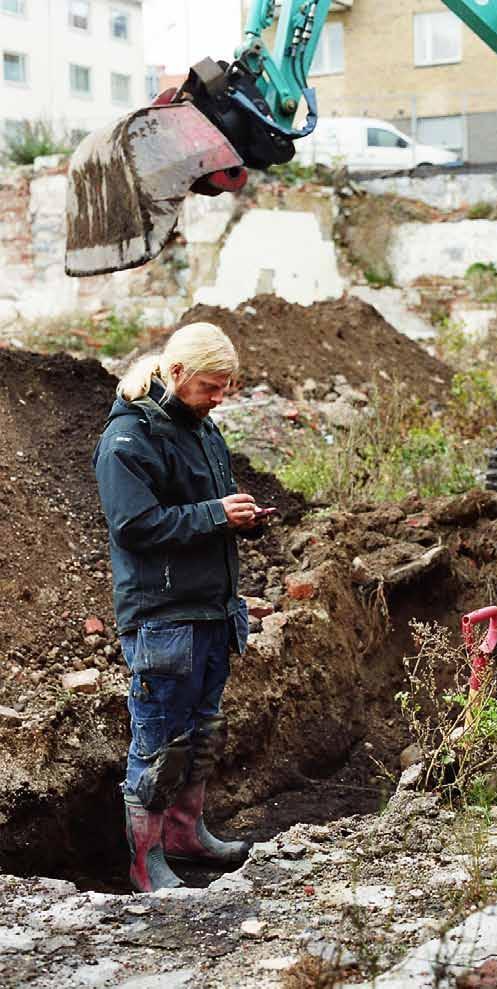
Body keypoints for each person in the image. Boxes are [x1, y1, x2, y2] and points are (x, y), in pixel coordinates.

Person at [93, 322, 265, 892]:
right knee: (159, 742)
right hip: (163, 617)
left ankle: (187, 835)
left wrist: (242, 518)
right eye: (212, 387)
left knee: (201, 733)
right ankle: (146, 861)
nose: (219, 399)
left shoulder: (201, 427)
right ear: (176, 373)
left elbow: (205, 508)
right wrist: (218, 514)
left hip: (213, 610)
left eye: (226, 388)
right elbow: (135, 525)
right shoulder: (128, 439)